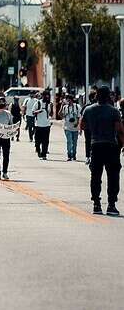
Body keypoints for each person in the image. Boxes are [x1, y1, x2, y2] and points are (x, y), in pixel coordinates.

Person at [81, 86, 124, 216]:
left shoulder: (88, 110)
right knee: (113, 176)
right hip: (111, 146)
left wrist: (94, 128)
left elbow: (82, 125)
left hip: (95, 145)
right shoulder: (114, 111)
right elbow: (119, 130)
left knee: (95, 176)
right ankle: (111, 204)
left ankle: (96, 204)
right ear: (108, 97)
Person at [32, 92, 52, 160]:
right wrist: (38, 111)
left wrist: (51, 108)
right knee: (37, 141)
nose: (46, 98)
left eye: (47, 96)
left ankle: (44, 154)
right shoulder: (38, 103)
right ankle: (38, 150)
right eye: (45, 96)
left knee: (45, 141)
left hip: (46, 125)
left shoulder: (49, 104)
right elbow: (33, 112)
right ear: (42, 96)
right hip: (38, 125)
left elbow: (51, 114)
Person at [60, 95, 81, 161]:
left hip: (75, 127)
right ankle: (69, 155)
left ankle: (74, 155)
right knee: (69, 141)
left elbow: (79, 116)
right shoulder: (65, 107)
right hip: (67, 127)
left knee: (74, 142)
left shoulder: (77, 107)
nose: (67, 101)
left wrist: (77, 124)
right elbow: (60, 115)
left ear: (71, 100)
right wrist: (61, 106)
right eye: (67, 100)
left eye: (69, 100)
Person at [80, 91, 97, 165]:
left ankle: (94, 157)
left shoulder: (99, 106)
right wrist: (80, 128)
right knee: (88, 142)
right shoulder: (86, 107)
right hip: (88, 128)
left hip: (96, 128)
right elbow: (82, 118)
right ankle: (88, 157)